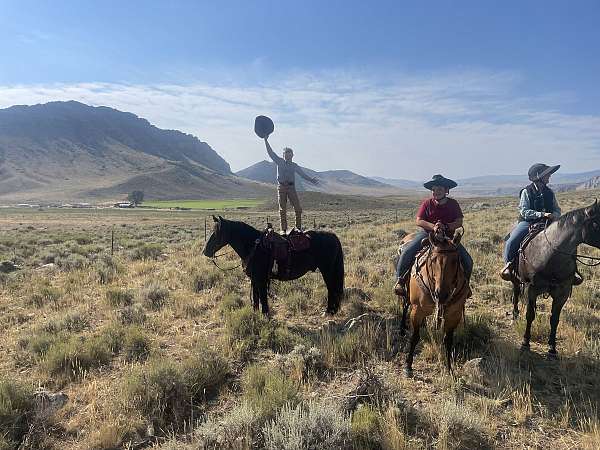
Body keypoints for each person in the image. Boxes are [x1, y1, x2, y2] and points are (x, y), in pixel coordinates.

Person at [500, 163, 582, 284]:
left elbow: (557, 209)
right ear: (538, 177)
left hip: (549, 222)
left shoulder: (550, 192)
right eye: (547, 175)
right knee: (512, 241)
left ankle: (572, 270)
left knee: (568, 239)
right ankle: (509, 266)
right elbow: (524, 211)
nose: (549, 177)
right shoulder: (526, 192)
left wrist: (555, 215)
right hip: (528, 222)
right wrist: (542, 215)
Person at [394, 174, 473, 297]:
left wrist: (446, 227)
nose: (436, 192)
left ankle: (465, 285)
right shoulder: (427, 203)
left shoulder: (453, 204)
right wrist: (433, 227)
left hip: (448, 237)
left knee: (467, 260)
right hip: (427, 235)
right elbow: (419, 220)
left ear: (446, 190)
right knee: (407, 252)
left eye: (440, 189)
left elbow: (459, 221)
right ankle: (400, 280)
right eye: (434, 189)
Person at [264, 137, 319, 233]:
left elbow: (302, 174)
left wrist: (311, 180)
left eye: (289, 154)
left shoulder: (294, 165)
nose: (287, 156)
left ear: (292, 155)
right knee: (282, 210)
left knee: (298, 208)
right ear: (283, 155)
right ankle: (283, 230)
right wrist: (265, 140)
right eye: (286, 154)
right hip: (281, 187)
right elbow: (271, 153)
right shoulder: (279, 161)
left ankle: (298, 228)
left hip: (291, 187)